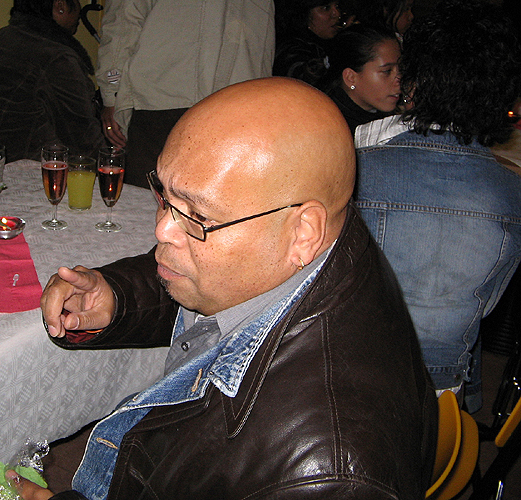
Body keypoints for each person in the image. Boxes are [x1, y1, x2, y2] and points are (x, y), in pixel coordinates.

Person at [8, 78, 437, 499]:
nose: (161, 229)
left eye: (197, 216)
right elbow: (224, 282)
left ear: (303, 232)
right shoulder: (326, 239)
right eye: (165, 195)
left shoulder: (324, 475)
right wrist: (117, 296)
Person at [354, 0, 521, 413]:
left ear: (415, 81)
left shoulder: (357, 165)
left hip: (352, 371)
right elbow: (487, 305)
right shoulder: (511, 196)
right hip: (440, 394)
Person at [96, 0, 275, 188]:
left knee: (149, 199)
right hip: (238, 108)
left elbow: (123, 23)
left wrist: (112, 93)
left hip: (163, 103)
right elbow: (263, 42)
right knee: (214, 201)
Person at [0, 0, 106, 162]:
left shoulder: (4, 36)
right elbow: (82, 138)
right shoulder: (57, 59)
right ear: (60, 6)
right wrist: (110, 162)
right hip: (37, 167)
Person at [326, 24, 401, 133]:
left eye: (401, 69)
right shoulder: (331, 126)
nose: (399, 79)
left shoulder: (385, 117)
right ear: (351, 78)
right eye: (387, 71)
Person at [272, 0, 346, 90]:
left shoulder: (331, 44)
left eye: (337, 6)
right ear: (305, 14)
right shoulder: (292, 50)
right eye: (326, 8)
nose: (336, 14)